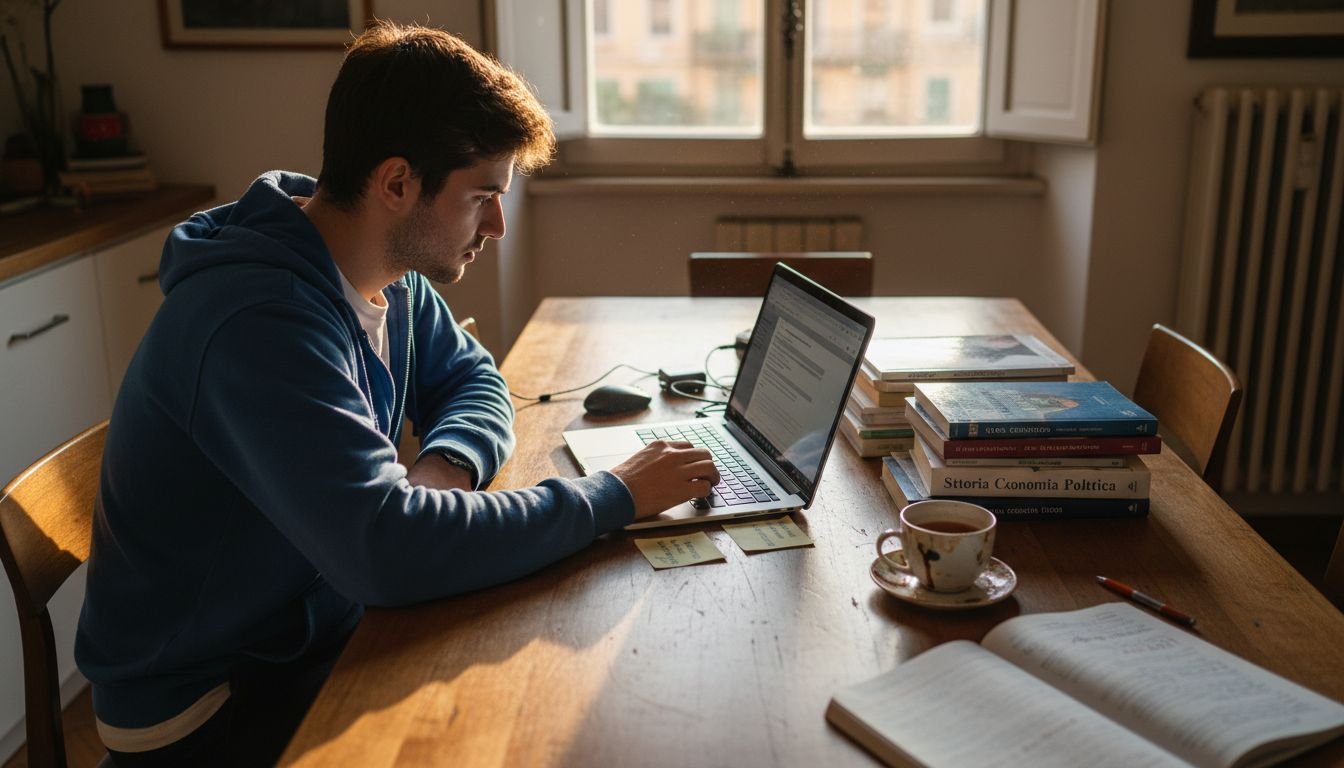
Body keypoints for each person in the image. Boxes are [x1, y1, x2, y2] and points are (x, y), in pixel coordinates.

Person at [76, 21, 718, 767]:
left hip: (302, 624)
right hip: (209, 700)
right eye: (483, 196)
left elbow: (474, 379)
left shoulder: (382, 273)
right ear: (396, 184)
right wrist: (611, 498)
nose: (499, 226)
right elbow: (386, 552)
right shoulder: (257, 323)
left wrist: (442, 469)